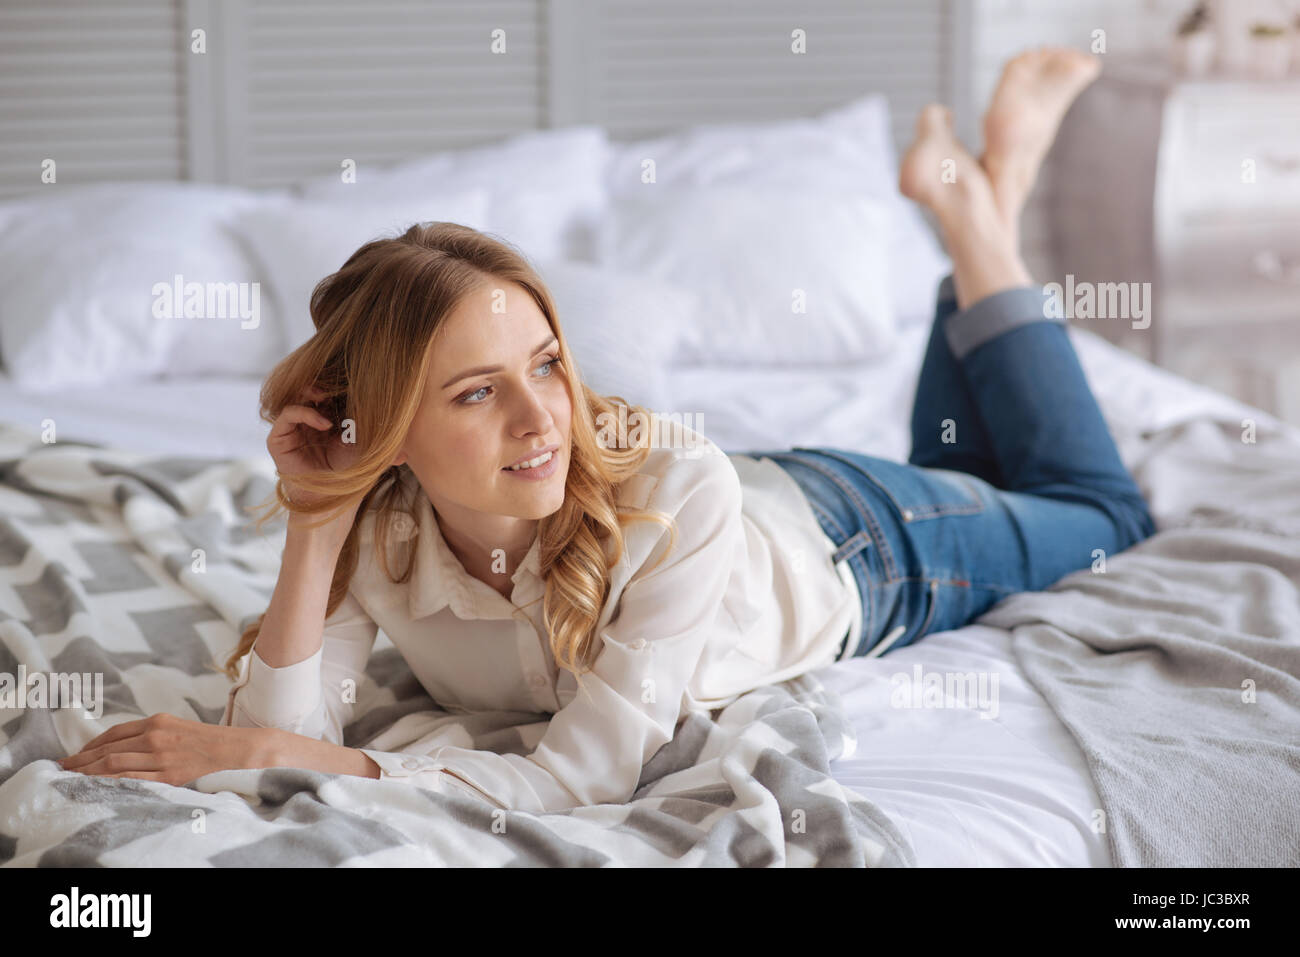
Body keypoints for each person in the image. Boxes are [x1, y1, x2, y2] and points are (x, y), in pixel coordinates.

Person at [58, 48, 1154, 811]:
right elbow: (299, 727)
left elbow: (579, 780)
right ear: (387, 432)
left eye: (545, 365)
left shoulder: (675, 496)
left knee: (1105, 516)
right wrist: (312, 523)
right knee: (973, 463)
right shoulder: (376, 521)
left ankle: (975, 216)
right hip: (792, 513)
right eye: (476, 392)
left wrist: (256, 749)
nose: (545, 419)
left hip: (860, 547)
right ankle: (982, 220)